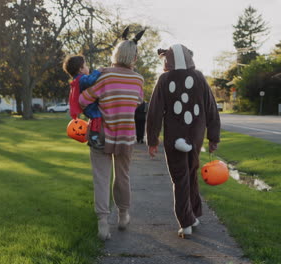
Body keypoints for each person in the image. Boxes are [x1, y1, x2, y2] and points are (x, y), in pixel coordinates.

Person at [146, 44, 221, 238]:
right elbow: (211, 108)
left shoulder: (164, 80)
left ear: (168, 60)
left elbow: (154, 112)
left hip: (174, 137)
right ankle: (193, 214)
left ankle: (186, 221)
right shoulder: (199, 78)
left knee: (180, 178)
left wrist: (152, 139)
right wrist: (213, 137)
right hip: (195, 136)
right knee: (191, 173)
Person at [79, 28, 145, 240]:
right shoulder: (138, 80)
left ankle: (103, 224)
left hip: (102, 135)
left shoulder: (104, 74)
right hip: (126, 135)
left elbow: (83, 100)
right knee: (123, 176)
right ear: (133, 57)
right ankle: (123, 215)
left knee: (101, 178)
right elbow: (137, 102)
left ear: (115, 54)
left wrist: (98, 108)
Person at [63, 55, 103, 148]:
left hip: (86, 105)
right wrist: (98, 71)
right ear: (80, 69)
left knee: (93, 119)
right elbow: (91, 80)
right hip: (89, 106)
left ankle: (90, 137)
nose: (88, 68)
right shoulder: (82, 78)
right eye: (86, 65)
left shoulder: (77, 79)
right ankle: (94, 138)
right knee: (97, 116)